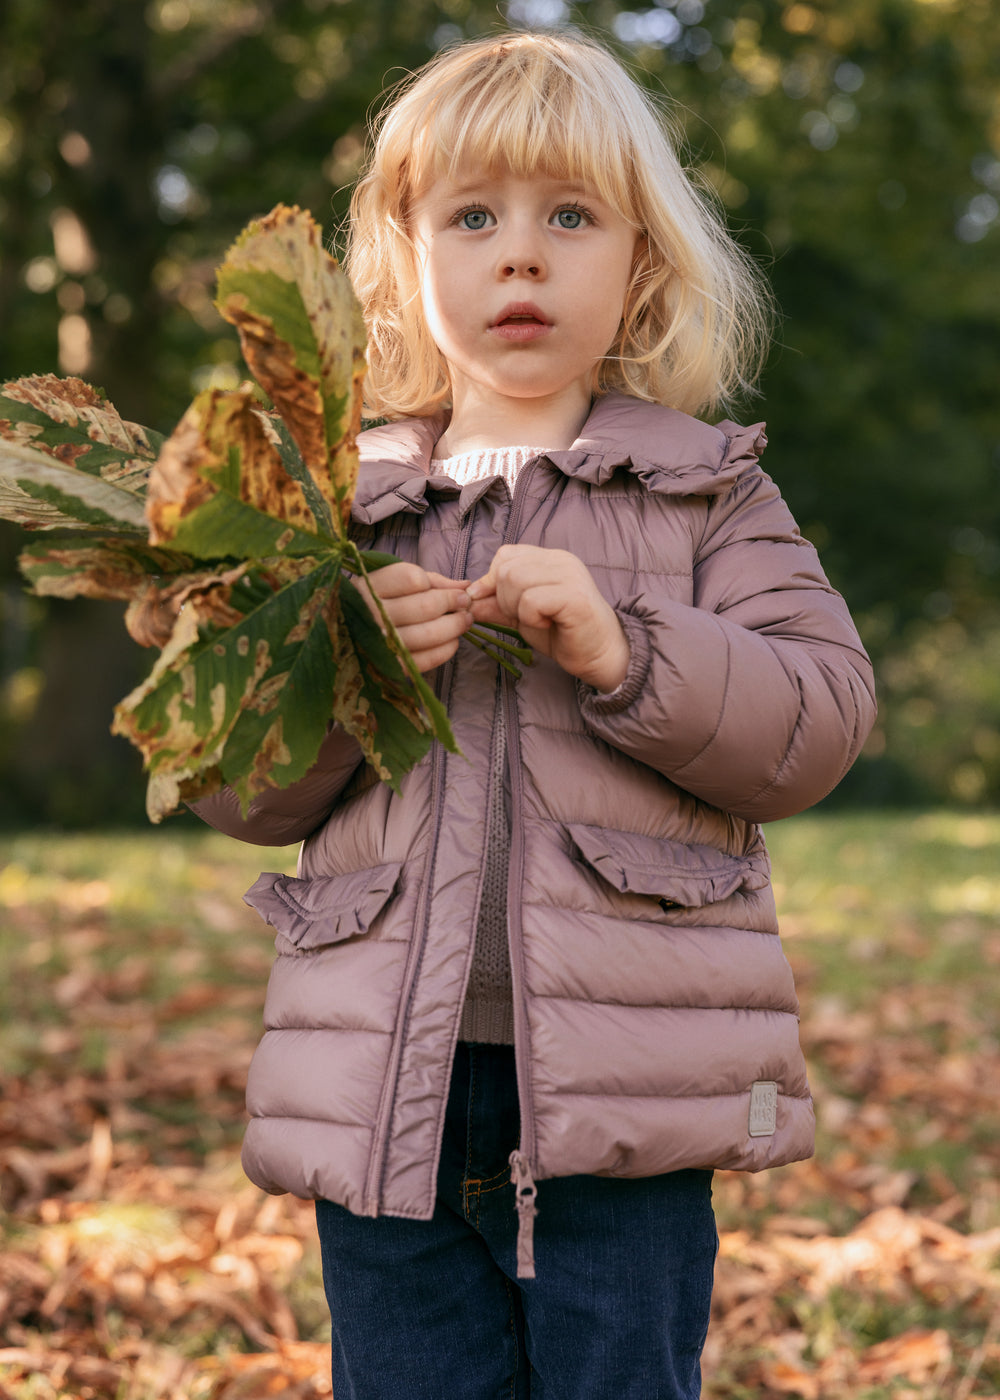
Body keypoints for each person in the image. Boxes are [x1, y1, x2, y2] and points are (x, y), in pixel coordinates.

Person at [192, 28, 876, 1399]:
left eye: (570, 217)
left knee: (620, 1376)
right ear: (406, 257)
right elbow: (230, 779)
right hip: (390, 1075)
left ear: (639, 264)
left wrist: (631, 651)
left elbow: (821, 714)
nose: (521, 255)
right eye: (475, 218)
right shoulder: (337, 506)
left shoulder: (705, 492)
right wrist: (342, 676)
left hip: (630, 1093)